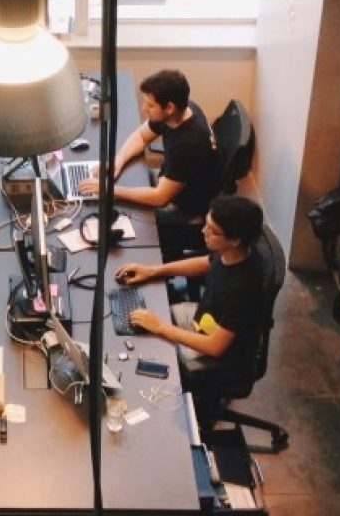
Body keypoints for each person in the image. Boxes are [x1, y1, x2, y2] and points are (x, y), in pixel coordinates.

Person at [112, 195, 266, 391]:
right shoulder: (230, 253)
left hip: (222, 355)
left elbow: (214, 347)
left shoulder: (243, 288)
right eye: (206, 224)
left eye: (212, 230)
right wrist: (152, 271)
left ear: (235, 240)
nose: (203, 231)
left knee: (151, 354)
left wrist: (160, 327)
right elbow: (205, 263)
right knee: (146, 316)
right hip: (204, 319)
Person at [79, 69, 217, 217]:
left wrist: (108, 189)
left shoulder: (189, 144)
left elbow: (159, 198)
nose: (144, 109)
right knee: (128, 179)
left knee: (124, 214)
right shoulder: (180, 110)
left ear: (169, 108)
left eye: (150, 105)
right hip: (171, 179)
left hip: (187, 204)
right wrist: (118, 161)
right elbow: (142, 136)